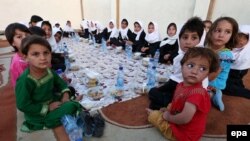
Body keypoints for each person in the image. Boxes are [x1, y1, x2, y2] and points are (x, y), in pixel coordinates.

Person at [15, 35, 82, 141]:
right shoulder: (25, 80)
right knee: (71, 107)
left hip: (52, 99)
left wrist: (65, 95)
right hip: (38, 114)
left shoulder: (48, 70)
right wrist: (47, 108)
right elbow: (22, 105)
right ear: (25, 57)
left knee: (70, 92)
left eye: (46, 53)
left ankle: (70, 103)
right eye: (35, 54)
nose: (43, 58)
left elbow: (61, 84)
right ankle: (73, 105)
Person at [147, 47, 220, 141]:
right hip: (179, 120)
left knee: (153, 116)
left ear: (207, 74)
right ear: (181, 66)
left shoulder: (196, 93)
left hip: (185, 134)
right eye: (190, 65)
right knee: (162, 109)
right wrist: (168, 110)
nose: (194, 71)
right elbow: (178, 103)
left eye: (202, 68)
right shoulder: (181, 85)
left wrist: (167, 116)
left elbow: (184, 118)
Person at [148, 17, 205, 110]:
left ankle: (169, 106)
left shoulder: (198, 60)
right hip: (177, 86)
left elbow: (181, 84)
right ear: (180, 39)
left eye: (194, 38)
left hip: (186, 93)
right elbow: (175, 79)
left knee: (154, 95)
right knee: (154, 91)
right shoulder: (180, 56)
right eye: (185, 37)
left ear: (200, 40)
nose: (188, 42)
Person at [206, 17, 238, 111]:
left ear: (232, 36)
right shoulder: (208, 49)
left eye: (227, 32)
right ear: (211, 32)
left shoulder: (226, 55)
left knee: (197, 93)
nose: (221, 35)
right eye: (218, 30)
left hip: (215, 81)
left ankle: (215, 94)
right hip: (206, 76)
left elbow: (213, 75)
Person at [222, 25, 250, 99]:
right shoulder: (230, 44)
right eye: (239, 36)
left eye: (245, 38)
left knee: (224, 86)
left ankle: (246, 93)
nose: (241, 40)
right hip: (229, 69)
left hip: (238, 71)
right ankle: (237, 83)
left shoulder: (246, 51)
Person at [5, 23, 31, 87]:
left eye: (27, 35)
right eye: (19, 37)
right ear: (13, 42)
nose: (25, 38)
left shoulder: (29, 53)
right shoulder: (18, 63)